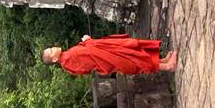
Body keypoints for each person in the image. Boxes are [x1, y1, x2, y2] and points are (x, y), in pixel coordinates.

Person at [41, 33, 177, 76]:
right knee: (134, 60)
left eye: (51, 48)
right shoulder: (68, 58)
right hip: (108, 58)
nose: (53, 48)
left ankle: (163, 61)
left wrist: (88, 43)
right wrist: (88, 41)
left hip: (107, 54)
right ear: (54, 59)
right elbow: (90, 54)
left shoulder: (67, 56)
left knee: (134, 52)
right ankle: (168, 67)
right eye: (51, 51)